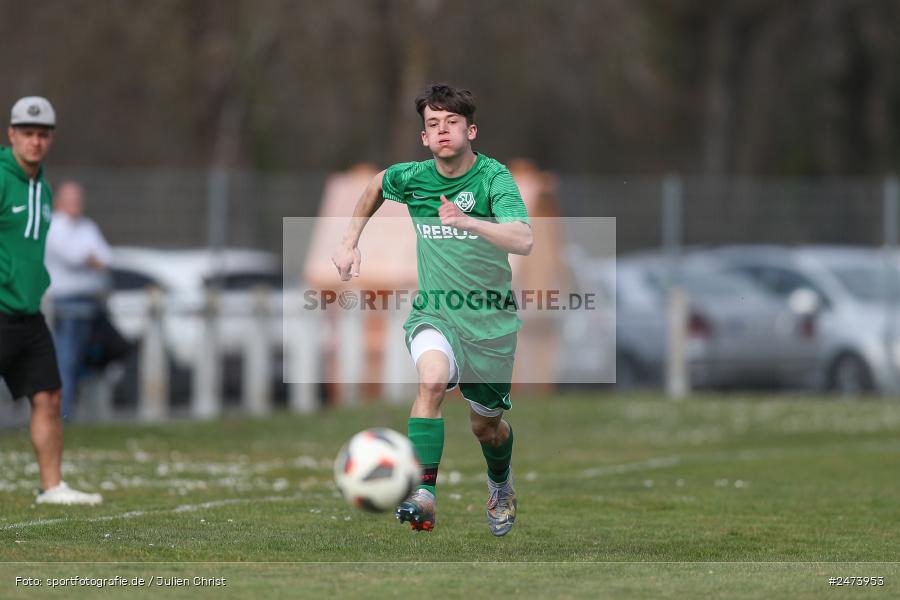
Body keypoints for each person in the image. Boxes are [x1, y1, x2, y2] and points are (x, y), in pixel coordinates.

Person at [332, 83, 532, 535]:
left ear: (471, 129)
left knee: (487, 429)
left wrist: (469, 222)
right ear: (424, 137)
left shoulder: (493, 179)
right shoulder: (414, 177)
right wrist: (348, 243)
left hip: (490, 324)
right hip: (435, 312)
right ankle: (423, 493)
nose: (442, 131)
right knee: (432, 379)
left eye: (452, 123)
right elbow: (376, 184)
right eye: (433, 125)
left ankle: (500, 482)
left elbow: (523, 239)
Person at [0, 96, 102, 505]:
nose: (35, 141)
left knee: (49, 396)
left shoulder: (44, 187)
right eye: (27, 133)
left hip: (28, 313)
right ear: (12, 135)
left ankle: (52, 487)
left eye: (43, 134)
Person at [45, 181, 113, 420]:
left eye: (78, 199)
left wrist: (91, 258)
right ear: (59, 201)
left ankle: (74, 413)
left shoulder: (87, 226)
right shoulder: (53, 226)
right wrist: (91, 258)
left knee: (85, 361)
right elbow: (74, 257)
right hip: (63, 306)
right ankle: (60, 416)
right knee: (65, 360)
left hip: (89, 305)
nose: (76, 204)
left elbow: (107, 257)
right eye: (70, 199)